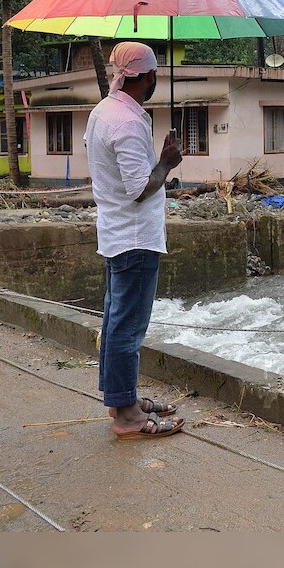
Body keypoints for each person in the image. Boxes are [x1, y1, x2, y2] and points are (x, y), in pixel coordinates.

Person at [84, 42, 185, 440]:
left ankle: (121, 397)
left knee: (114, 322)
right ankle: (126, 415)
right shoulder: (126, 122)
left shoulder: (103, 112)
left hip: (115, 233)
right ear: (146, 77)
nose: (157, 80)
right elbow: (139, 188)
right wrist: (166, 163)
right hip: (135, 237)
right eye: (155, 73)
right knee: (127, 327)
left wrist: (158, 161)